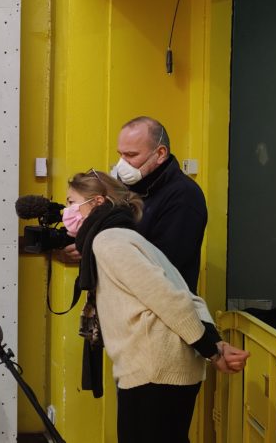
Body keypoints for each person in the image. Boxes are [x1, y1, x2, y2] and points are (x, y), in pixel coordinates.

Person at [64, 170, 247, 443]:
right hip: (163, 368)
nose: (66, 211)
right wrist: (215, 344)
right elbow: (185, 292)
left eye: (71, 201)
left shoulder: (109, 242)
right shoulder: (127, 237)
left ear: (98, 202)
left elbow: (169, 299)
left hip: (154, 370)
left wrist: (212, 350)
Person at [59, 116, 208, 293]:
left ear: (160, 153)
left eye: (131, 155)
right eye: (120, 154)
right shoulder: (130, 188)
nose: (123, 163)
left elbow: (162, 264)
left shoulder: (183, 195)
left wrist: (95, 252)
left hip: (159, 307)